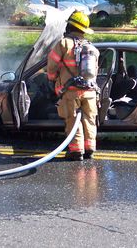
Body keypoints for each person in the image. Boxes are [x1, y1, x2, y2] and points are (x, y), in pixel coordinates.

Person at [47, 11, 100, 161]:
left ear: (70, 26)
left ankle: (76, 151)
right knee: (89, 120)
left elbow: (52, 65)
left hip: (71, 91)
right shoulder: (91, 47)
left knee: (72, 119)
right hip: (90, 91)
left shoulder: (64, 43)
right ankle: (90, 148)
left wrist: (52, 78)